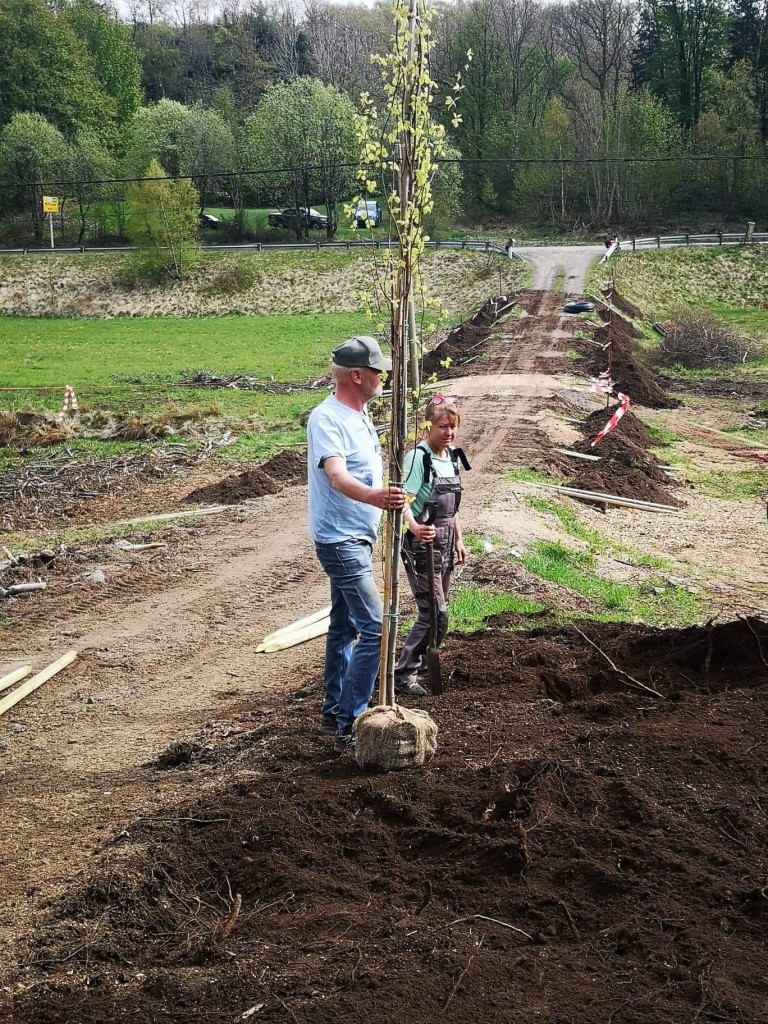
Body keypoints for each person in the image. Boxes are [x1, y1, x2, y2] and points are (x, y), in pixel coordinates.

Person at [307, 336, 406, 754]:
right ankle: (351, 723)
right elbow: (337, 477)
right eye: (378, 371)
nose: (383, 377)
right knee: (374, 628)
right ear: (358, 376)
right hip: (340, 539)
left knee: (344, 625)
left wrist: (402, 513)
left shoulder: (361, 415)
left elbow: (370, 476)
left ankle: (334, 712)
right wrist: (376, 498)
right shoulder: (327, 419)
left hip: (361, 535)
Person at [395, 394, 469, 697]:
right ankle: (404, 673)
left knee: (440, 613)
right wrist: (414, 527)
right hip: (421, 544)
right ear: (428, 427)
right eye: (442, 427)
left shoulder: (451, 457)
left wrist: (459, 539)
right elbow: (402, 503)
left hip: (446, 541)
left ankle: (424, 664)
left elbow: (451, 510)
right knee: (434, 613)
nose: (449, 433)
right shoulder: (418, 458)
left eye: (452, 427)